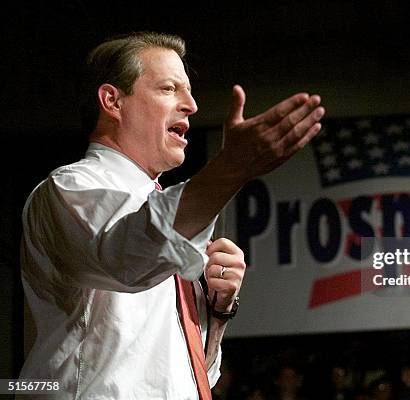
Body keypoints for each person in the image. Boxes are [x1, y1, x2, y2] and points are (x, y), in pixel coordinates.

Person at [19, 31, 324, 399]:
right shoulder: (69, 190)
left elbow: (194, 376)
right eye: (169, 88)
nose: (192, 105)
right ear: (112, 101)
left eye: (189, 91)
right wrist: (229, 170)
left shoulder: (168, 215)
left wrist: (218, 311)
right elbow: (130, 255)